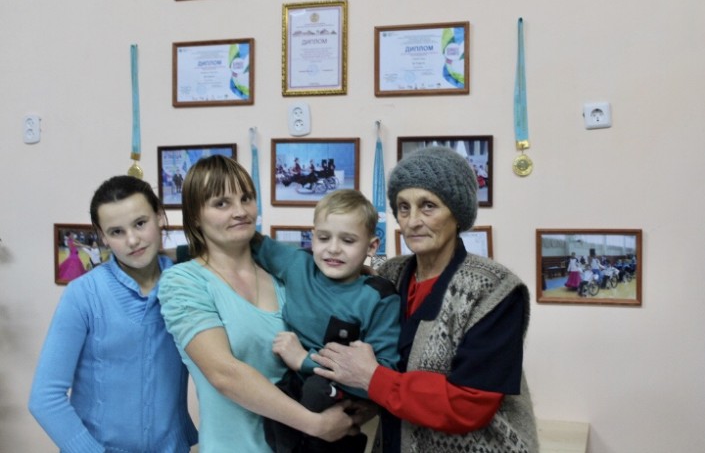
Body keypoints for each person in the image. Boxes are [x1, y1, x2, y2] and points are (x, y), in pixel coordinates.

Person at [311, 146, 539, 452]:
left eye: (428, 206)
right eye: (403, 207)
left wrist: (372, 378)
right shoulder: (389, 275)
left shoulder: (494, 289)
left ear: (457, 213)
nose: (413, 221)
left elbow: (469, 404)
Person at [157, 155, 357, 453]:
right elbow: (224, 374)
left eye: (246, 198)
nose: (240, 211)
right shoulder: (183, 281)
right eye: (221, 203)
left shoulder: (284, 276)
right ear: (196, 216)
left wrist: (353, 410)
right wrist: (315, 424)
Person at [28, 175, 198, 452]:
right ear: (103, 236)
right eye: (117, 232)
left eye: (140, 223)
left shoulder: (188, 285)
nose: (132, 240)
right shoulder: (82, 294)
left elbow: (225, 249)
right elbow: (45, 398)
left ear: (159, 216)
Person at [252, 189, 401, 452]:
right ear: (312, 237)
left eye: (348, 240)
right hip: (291, 389)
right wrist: (180, 253)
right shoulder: (298, 264)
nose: (333, 248)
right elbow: (244, 240)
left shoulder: (380, 297)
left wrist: (304, 359)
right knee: (273, 411)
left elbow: (384, 376)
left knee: (316, 392)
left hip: (337, 397)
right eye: (323, 238)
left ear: (371, 246)